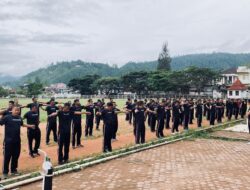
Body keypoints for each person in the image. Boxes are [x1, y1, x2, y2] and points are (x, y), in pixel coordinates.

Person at [0, 106, 35, 179]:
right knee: (7, 156)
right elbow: (1, 123)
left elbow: (22, 124)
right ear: (12, 110)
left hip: (17, 141)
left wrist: (30, 126)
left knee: (16, 156)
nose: (17, 111)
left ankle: (14, 170)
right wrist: (2, 114)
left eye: (18, 110)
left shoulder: (19, 118)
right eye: (15, 110)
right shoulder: (7, 117)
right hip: (8, 141)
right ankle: (5, 172)